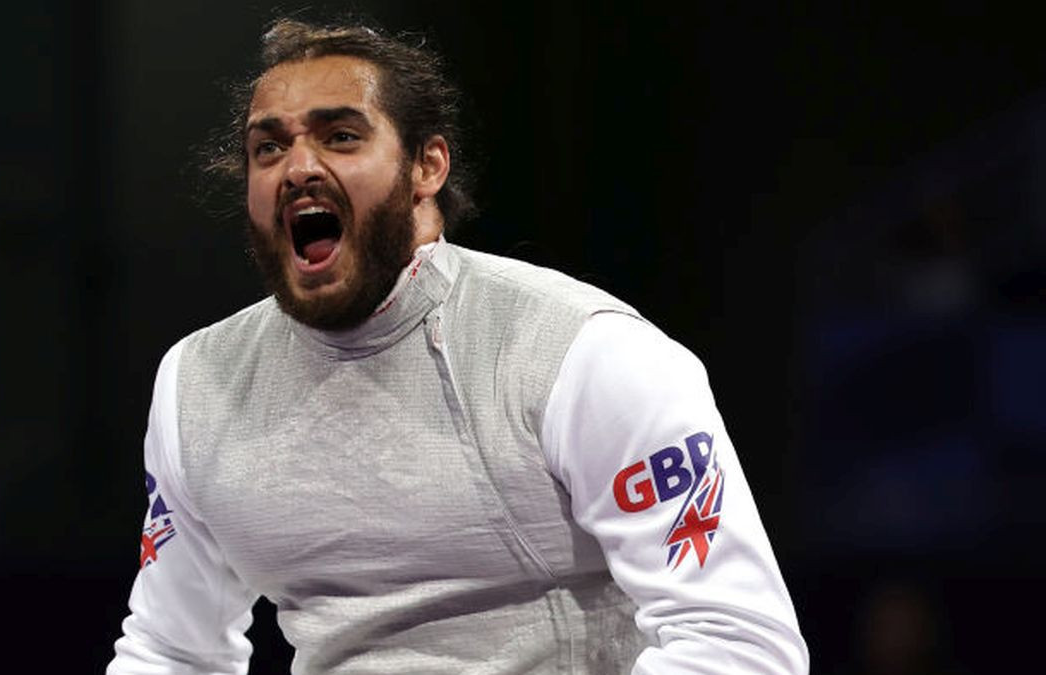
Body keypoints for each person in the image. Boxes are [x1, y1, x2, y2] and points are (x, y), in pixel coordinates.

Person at [107, 17, 809, 675]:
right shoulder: (200, 382)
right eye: (270, 147)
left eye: (341, 137)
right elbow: (171, 649)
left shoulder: (581, 353)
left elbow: (740, 643)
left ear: (427, 166)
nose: (297, 168)